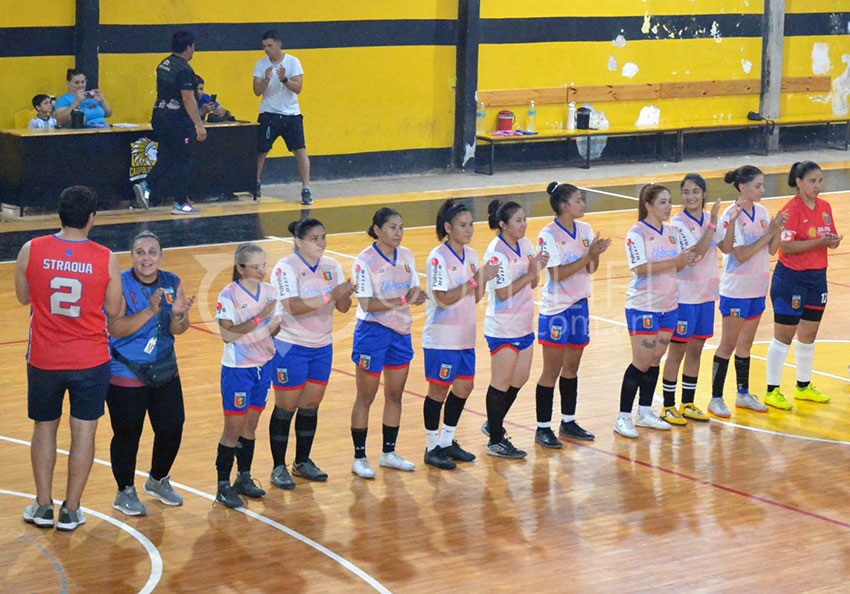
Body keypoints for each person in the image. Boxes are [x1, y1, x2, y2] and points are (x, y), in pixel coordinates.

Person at [15, 185, 123, 531]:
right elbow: (115, 310)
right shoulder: (105, 258)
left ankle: (43, 505)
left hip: (45, 358)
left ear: (58, 213)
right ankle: (71, 509)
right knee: (84, 434)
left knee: (44, 430)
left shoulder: (31, 250)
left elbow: (22, 297)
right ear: (92, 218)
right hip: (90, 360)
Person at [106, 231, 195, 516]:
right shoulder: (119, 283)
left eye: (152, 252)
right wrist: (150, 310)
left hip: (165, 366)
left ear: (161, 256)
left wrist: (179, 314)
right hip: (126, 370)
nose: (146, 258)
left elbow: (177, 329)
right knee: (128, 433)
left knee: (172, 427)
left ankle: (158, 479)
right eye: (140, 252)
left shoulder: (173, 281)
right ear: (131, 256)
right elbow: (115, 329)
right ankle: (125, 491)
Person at [267, 218, 354, 488]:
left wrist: (345, 293)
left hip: (321, 346)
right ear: (298, 241)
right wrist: (331, 294)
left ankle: (302, 461)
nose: (321, 243)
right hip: (290, 344)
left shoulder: (332, 266)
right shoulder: (285, 268)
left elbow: (343, 308)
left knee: (310, 405)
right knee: (286, 406)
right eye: (314, 238)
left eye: (323, 237)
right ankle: (278, 467)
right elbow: (292, 306)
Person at [350, 208, 426, 478]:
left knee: (395, 394)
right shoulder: (364, 261)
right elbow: (368, 304)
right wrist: (405, 299)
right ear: (378, 230)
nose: (398, 233)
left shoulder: (406, 255)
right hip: (373, 332)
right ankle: (359, 457)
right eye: (393, 227)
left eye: (401, 227)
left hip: (400, 331)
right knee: (366, 396)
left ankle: (388, 453)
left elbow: (414, 287)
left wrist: (417, 294)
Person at [615, 184, 696, 439]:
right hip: (643, 307)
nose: (668, 207)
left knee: (654, 360)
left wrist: (685, 261)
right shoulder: (636, 232)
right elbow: (639, 267)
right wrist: (675, 262)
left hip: (669, 306)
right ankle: (623, 417)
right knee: (640, 362)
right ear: (648, 206)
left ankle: (645, 411)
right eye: (662, 202)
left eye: (669, 202)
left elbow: (680, 264)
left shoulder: (673, 232)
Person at [422, 199, 497, 470]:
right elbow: (442, 298)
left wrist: (485, 279)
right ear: (447, 227)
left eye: (471, 225)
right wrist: (476, 280)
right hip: (442, 338)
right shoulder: (438, 257)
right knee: (439, 390)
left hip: (465, 335)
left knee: (464, 387)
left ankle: (447, 441)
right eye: (463, 225)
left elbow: (475, 297)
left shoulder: (473, 255)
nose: (469, 230)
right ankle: (431, 447)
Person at [534, 182, 611, 447]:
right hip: (556, 309)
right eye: (578, 200)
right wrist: (588, 255)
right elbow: (556, 273)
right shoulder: (548, 235)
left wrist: (595, 254)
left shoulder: (586, 229)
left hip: (580, 304)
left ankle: (568, 422)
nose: (583, 204)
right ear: (564, 205)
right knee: (551, 370)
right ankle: (542, 427)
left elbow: (591, 269)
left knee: (572, 368)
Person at [709, 166, 787, 417]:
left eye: (763, 185)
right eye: (758, 186)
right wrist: (770, 233)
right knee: (727, 345)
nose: (763, 190)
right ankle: (716, 398)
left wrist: (777, 228)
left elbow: (773, 250)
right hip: (736, 290)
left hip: (757, 288)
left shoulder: (762, 211)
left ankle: (743, 394)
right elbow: (740, 254)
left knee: (746, 345)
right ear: (743, 188)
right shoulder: (731, 215)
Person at [764, 161, 842, 409]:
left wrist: (832, 242)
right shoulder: (791, 209)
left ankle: (803, 386)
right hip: (792, 278)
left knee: (808, 335)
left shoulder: (826, 207)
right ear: (799, 182)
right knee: (784, 336)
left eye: (820, 180)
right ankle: (772, 390)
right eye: (812, 181)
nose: (818, 186)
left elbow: (830, 241)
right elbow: (785, 247)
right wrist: (820, 241)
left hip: (817, 277)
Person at [214, 243, 281, 508]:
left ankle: (243, 477)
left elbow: (268, 331)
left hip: (263, 367)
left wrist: (274, 326)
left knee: (250, 427)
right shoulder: (228, 295)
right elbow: (227, 334)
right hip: (238, 370)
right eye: (255, 266)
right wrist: (259, 318)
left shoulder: (270, 292)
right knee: (233, 429)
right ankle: (222, 485)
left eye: (263, 265)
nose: (261, 271)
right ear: (240, 268)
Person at [481, 199, 548, 458]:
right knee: (501, 382)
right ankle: (496, 440)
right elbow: (501, 291)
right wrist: (530, 274)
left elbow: (534, 283)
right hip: (503, 327)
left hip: (523, 323)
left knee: (519, 378)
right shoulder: (496, 253)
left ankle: (492, 423)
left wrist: (536, 270)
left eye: (524, 220)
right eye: (518, 220)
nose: (524, 225)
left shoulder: (527, 245)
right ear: (502, 224)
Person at [660, 174, 721, 425]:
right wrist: (715, 223)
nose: (691, 197)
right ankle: (667, 406)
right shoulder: (678, 223)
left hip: (707, 295)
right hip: (685, 296)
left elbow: (724, 246)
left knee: (696, 350)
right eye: (686, 192)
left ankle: (687, 402)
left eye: (695, 191)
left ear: (704, 194)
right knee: (678, 350)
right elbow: (696, 252)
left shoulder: (709, 219)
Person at [133, 31, 207, 215]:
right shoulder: (185, 69)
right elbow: (188, 98)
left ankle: (145, 185)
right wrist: (199, 124)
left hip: (159, 116)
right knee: (184, 159)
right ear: (189, 47)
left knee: (167, 156)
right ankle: (181, 202)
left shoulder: (164, 64)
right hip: (177, 120)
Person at [253, 29, 312, 205]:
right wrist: (266, 79)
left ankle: (306, 188)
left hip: (291, 114)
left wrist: (284, 79)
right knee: (261, 150)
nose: (267, 50)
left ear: (279, 45)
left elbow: (298, 88)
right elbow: (256, 91)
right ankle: (255, 183)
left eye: (270, 46)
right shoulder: (261, 64)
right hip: (269, 114)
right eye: (264, 46)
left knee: (300, 151)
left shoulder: (293, 62)